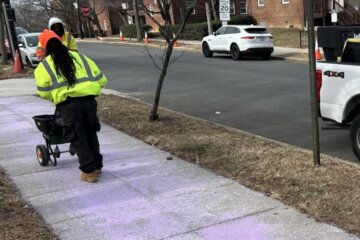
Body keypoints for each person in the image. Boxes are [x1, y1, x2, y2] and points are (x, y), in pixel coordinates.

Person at [34, 30, 107, 183]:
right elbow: (102, 80)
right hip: (89, 102)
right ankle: (98, 166)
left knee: (77, 136)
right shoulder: (81, 57)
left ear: (45, 47)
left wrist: (57, 95)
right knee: (90, 132)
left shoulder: (45, 66)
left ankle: (89, 172)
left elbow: (44, 92)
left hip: (69, 105)